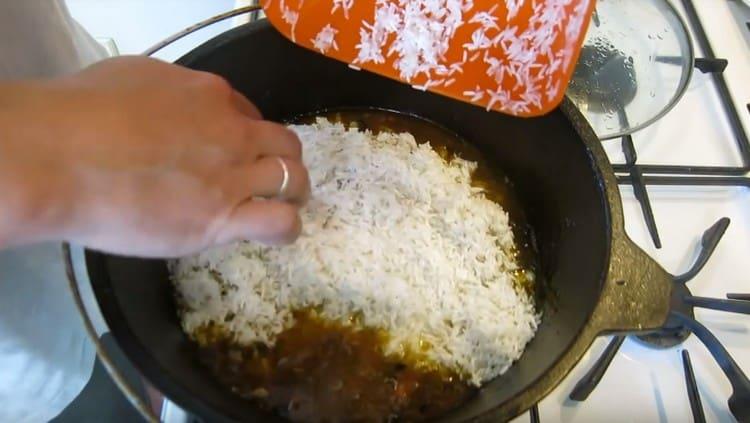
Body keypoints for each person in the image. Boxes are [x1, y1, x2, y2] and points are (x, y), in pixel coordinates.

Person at [0, 2, 310, 421]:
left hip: (68, 87)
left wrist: (75, 124)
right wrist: (60, 149)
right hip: (18, 314)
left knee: (137, 337)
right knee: (97, 376)